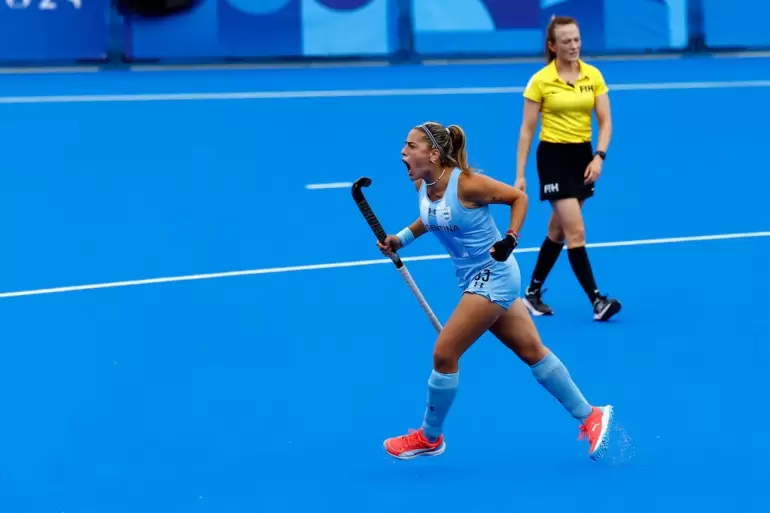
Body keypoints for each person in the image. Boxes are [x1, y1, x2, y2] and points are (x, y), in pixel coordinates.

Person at [376, 121, 614, 461]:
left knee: (444, 353)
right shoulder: (424, 185)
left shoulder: (468, 184)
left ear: (432, 153)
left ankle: (429, 437)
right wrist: (400, 239)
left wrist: (511, 238)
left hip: (494, 276)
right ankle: (590, 414)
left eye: (410, 146)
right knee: (533, 351)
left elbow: (518, 198)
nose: (403, 152)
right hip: (474, 280)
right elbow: (430, 219)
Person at [515, 15, 621, 321]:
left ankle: (532, 295)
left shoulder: (593, 76)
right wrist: (520, 174)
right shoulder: (540, 81)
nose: (573, 46)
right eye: (566, 41)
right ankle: (597, 300)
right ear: (552, 45)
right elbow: (526, 130)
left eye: (576, 39)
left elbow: (605, 121)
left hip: (583, 157)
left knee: (557, 230)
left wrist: (599, 156)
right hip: (553, 159)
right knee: (576, 231)